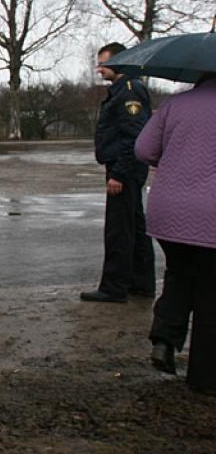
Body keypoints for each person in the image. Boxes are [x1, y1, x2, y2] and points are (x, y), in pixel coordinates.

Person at [134, 73, 216, 392]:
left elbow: (143, 150)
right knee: (211, 290)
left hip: (169, 208)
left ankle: (165, 340)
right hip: (211, 214)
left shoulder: (175, 104)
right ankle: (206, 378)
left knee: (180, 271)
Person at [80, 42, 156, 303]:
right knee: (135, 225)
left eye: (103, 63)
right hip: (128, 168)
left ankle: (114, 287)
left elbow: (133, 137)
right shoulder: (126, 90)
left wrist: (119, 174)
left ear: (120, 62)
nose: (99, 69)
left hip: (124, 169)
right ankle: (141, 283)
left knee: (119, 229)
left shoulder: (129, 92)